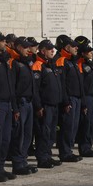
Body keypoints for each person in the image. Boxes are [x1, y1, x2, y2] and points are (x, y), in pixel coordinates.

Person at [32, 39, 63, 168]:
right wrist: (39, 106)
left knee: (51, 133)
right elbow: (36, 89)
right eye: (50, 49)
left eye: (53, 49)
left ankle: (48, 155)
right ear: (43, 50)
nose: (53, 51)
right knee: (43, 133)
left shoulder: (50, 64)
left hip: (54, 105)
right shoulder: (38, 65)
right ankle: (42, 158)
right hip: (45, 106)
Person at [0, 32, 16, 182]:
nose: (5, 42)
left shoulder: (5, 60)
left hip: (7, 104)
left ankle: (0, 167)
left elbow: (10, 86)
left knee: (5, 138)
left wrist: (14, 107)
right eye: (1, 40)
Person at [10, 37, 38, 175]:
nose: (28, 50)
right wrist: (14, 108)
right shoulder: (15, 63)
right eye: (26, 47)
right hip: (20, 103)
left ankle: (23, 161)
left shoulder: (27, 63)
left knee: (27, 134)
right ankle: (17, 163)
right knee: (19, 135)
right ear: (19, 47)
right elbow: (12, 88)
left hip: (29, 102)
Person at [55, 35, 84, 162]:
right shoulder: (61, 61)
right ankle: (65, 152)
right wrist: (66, 101)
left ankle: (69, 150)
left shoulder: (72, 61)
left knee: (73, 126)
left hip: (77, 98)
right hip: (70, 99)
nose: (76, 47)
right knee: (67, 126)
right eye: (73, 46)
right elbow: (62, 84)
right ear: (67, 47)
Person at [75, 36, 93, 157]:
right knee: (86, 123)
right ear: (83, 53)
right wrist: (83, 102)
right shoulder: (79, 64)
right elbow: (80, 85)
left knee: (92, 123)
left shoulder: (90, 64)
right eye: (89, 51)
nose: (91, 53)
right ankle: (84, 148)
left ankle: (89, 146)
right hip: (86, 97)